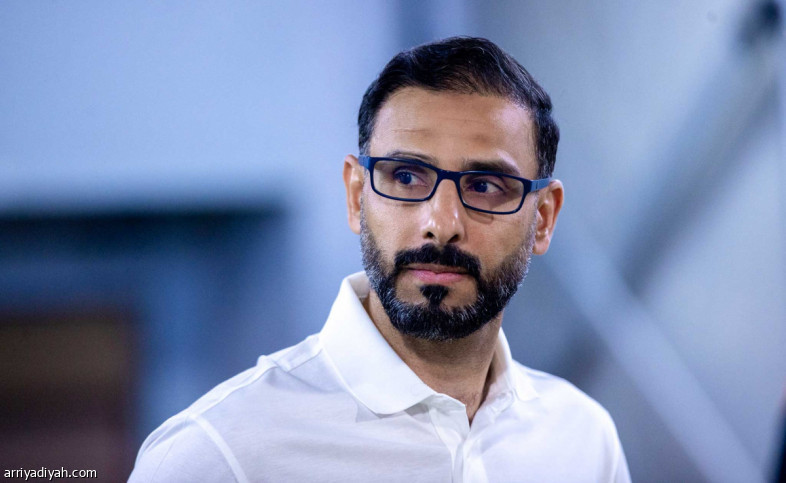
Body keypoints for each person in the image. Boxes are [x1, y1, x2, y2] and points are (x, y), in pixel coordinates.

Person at [130, 36, 631, 482]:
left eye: (485, 186)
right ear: (356, 197)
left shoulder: (583, 439)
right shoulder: (219, 454)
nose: (442, 223)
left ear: (543, 218)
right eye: (406, 177)